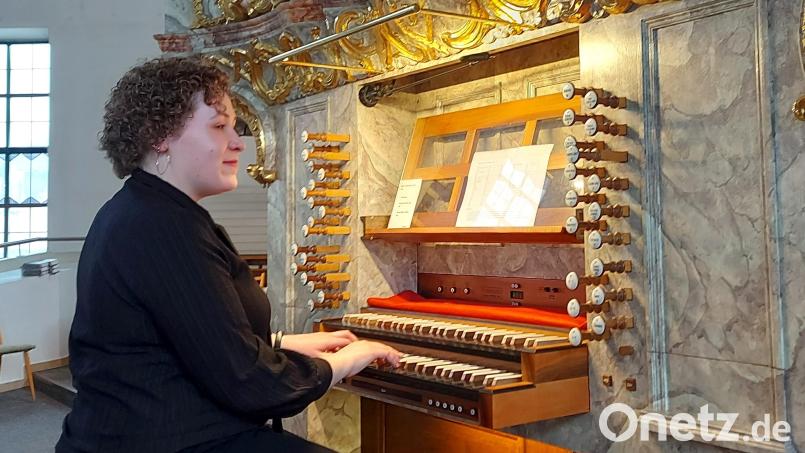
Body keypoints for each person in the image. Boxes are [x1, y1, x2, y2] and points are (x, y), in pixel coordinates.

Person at [55, 57, 401, 453]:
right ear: (160, 136)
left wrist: (280, 342)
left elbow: (180, 335)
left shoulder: (148, 209)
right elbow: (248, 383)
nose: (239, 141)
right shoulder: (161, 225)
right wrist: (348, 359)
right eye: (219, 127)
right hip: (161, 438)